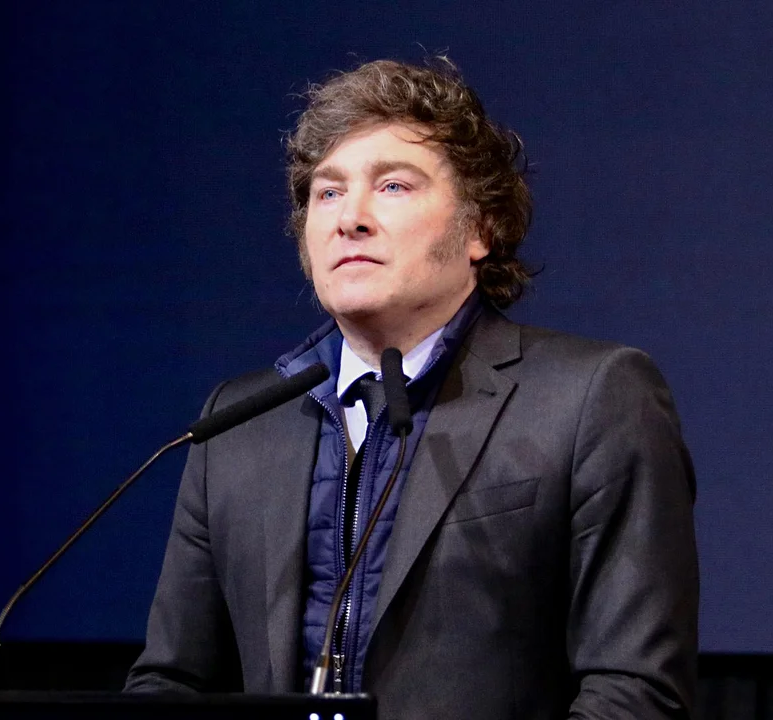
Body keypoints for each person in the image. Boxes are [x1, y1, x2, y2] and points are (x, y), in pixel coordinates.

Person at [125, 58, 698, 719]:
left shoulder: (591, 398)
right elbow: (172, 683)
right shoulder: (236, 423)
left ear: (480, 228)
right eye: (328, 193)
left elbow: (634, 693)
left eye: (393, 186)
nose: (350, 218)